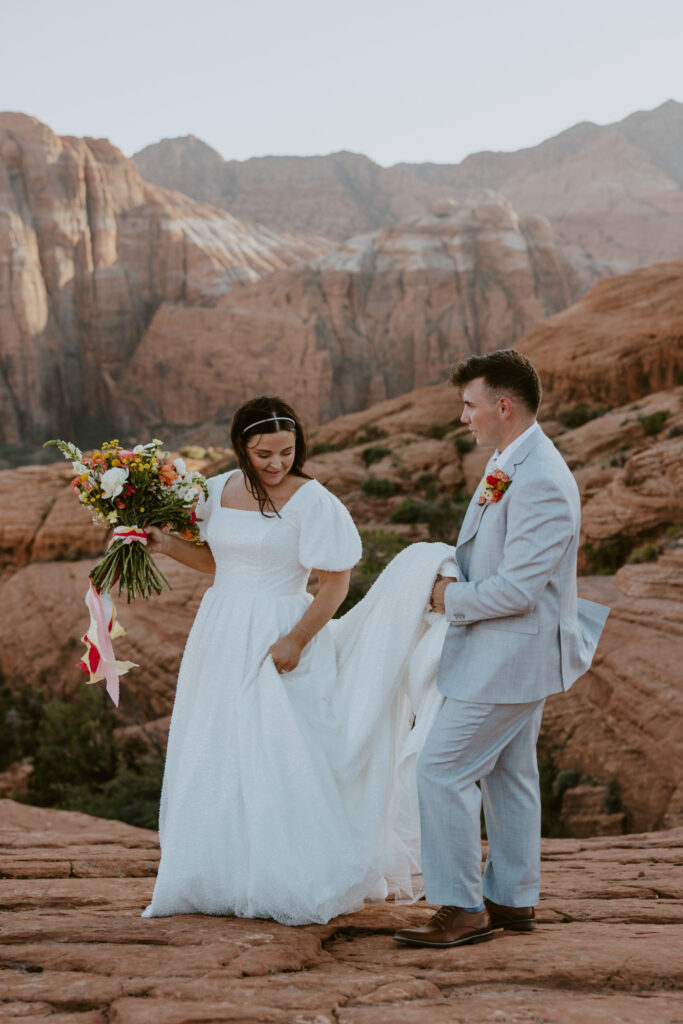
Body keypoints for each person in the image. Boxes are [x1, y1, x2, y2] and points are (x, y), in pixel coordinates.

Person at [141, 395, 455, 925]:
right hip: (221, 629)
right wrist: (167, 545)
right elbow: (221, 563)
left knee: (277, 748)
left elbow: (335, 583)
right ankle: (215, 874)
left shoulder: (313, 501)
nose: (276, 463)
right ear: (241, 447)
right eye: (263, 453)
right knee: (220, 745)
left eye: (286, 451)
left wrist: (298, 639)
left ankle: (286, 878)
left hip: (282, 628)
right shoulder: (217, 489)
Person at [394, 349, 609, 949]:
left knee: (440, 770)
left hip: (511, 653)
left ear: (503, 406)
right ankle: (513, 901)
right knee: (510, 775)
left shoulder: (540, 478)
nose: (463, 416)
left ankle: (462, 908)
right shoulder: (512, 458)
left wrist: (444, 598)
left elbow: (517, 589)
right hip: (515, 651)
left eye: (470, 404)